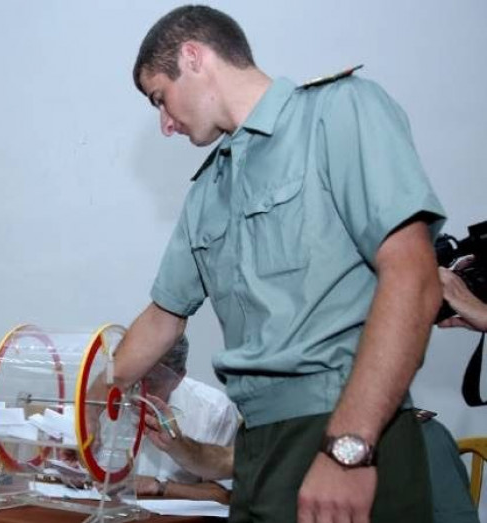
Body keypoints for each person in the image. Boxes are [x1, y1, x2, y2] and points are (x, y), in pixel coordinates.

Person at [111, 5, 446, 522]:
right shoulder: (208, 190)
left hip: (344, 425)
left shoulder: (337, 111)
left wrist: (349, 448)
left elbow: (413, 276)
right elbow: (162, 318)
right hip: (256, 448)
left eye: (161, 98)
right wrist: (85, 400)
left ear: (193, 57)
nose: (166, 124)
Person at [134, 335, 239, 503]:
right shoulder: (103, 398)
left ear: (177, 378)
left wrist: (158, 487)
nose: (136, 390)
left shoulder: (214, 409)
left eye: (150, 381)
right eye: (131, 376)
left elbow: (222, 495)